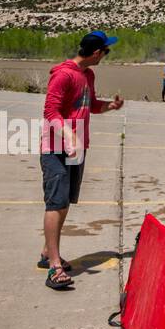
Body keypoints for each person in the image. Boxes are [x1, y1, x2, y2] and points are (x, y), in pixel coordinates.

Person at [39, 31, 124, 290]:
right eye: (105, 52)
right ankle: (54, 267)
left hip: (76, 149)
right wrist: (67, 134)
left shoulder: (88, 75)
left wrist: (108, 106)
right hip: (55, 148)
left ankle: (46, 253)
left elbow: (90, 105)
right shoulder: (63, 75)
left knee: (64, 203)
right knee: (55, 203)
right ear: (97, 53)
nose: (105, 56)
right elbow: (50, 111)